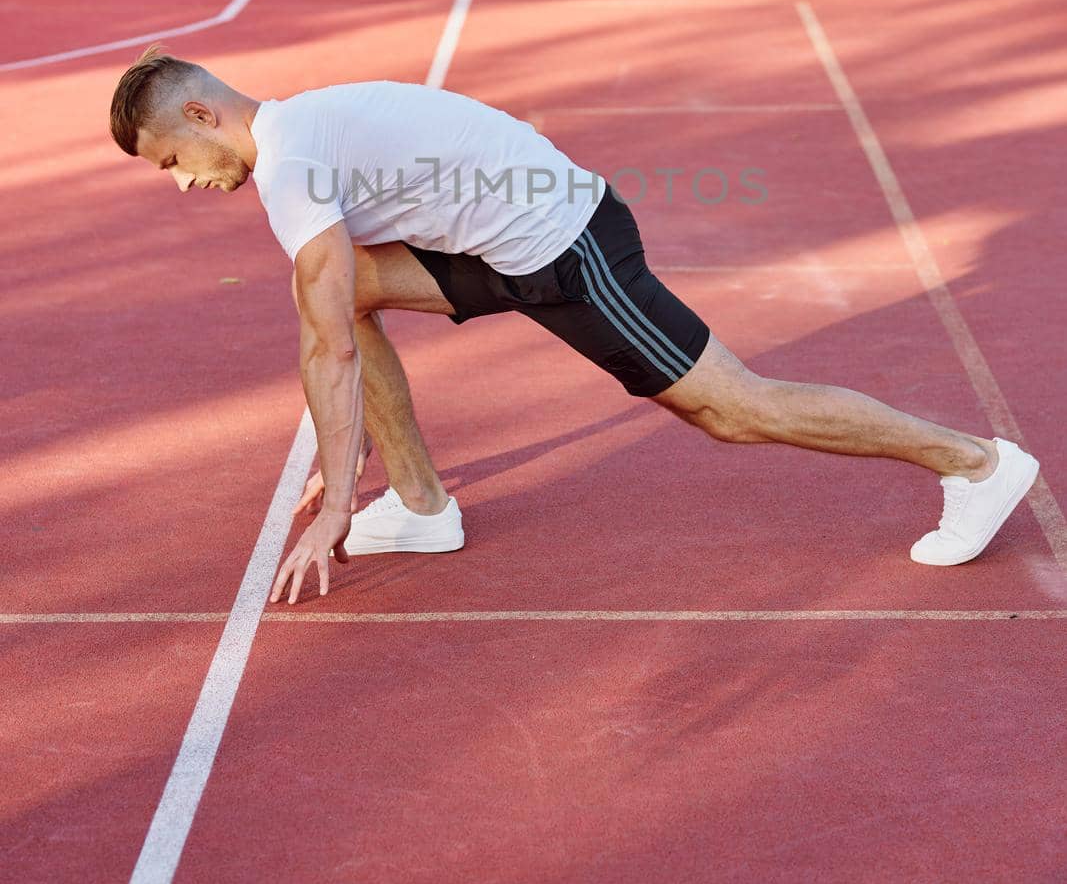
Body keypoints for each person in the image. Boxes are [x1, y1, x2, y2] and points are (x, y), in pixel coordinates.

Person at [109, 45, 1040, 606]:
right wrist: (343, 448)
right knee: (344, 287)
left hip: (567, 246)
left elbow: (331, 351)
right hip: (508, 240)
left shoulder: (289, 164)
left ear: (201, 114)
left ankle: (975, 464)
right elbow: (330, 317)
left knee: (734, 409)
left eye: (172, 162)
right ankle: (427, 509)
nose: (186, 182)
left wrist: (341, 501)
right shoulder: (302, 131)